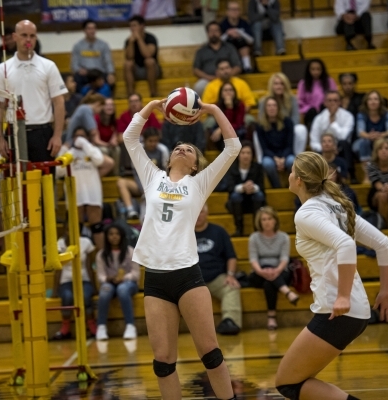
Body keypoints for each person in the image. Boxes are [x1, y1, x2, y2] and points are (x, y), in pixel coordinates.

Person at [123, 97, 240, 399]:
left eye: (189, 149)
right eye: (178, 146)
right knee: (163, 361)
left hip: (187, 274)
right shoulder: (152, 177)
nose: (181, 148)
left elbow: (233, 147)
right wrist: (150, 107)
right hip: (156, 278)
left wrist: (212, 110)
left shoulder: (199, 184)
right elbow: (130, 138)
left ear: (196, 164)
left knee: (210, 352)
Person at [275, 151, 388, 400]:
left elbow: (346, 245)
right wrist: (386, 291)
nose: (288, 175)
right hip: (353, 310)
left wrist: (342, 296)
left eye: (291, 171)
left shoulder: (307, 212)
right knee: (296, 381)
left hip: (339, 310)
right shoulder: (337, 205)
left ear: (298, 179)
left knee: (288, 383)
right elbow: (384, 244)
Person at [0, 20, 67, 161]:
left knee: (45, 180)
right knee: (16, 180)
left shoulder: (48, 66)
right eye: (24, 35)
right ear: (15, 37)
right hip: (14, 132)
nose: (28, 39)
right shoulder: (3, 69)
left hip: (43, 134)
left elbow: (59, 102)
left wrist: (57, 136)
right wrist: (0, 139)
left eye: (32, 35)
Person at [57, 127, 113, 249]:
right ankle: (74, 257)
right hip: (75, 192)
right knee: (75, 226)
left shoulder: (91, 151)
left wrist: (86, 144)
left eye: (83, 136)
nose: (79, 139)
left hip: (92, 192)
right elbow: (57, 171)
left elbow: (99, 161)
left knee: (97, 226)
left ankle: (101, 258)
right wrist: (64, 149)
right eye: (77, 136)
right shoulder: (69, 154)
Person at [194, 204, 242, 335]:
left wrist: (230, 275)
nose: (198, 215)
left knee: (231, 287)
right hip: (192, 280)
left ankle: (230, 321)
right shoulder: (183, 234)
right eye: (195, 211)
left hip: (216, 278)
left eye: (201, 212)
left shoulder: (219, 232)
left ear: (207, 213)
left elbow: (231, 257)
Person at [248, 206, 299, 330]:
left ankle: (271, 317)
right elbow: (253, 259)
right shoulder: (254, 238)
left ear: (275, 220)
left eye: (269, 218)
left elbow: (284, 259)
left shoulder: (284, 237)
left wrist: (276, 270)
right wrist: (261, 271)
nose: (266, 222)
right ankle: (287, 292)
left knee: (268, 284)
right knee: (266, 272)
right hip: (259, 273)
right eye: (263, 219)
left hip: (280, 271)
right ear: (259, 222)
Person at [95, 223, 140, 340]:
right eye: (111, 234)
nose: (114, 237)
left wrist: (124, 278)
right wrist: (107, 279)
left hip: (128, 284)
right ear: (106, 237)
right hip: (109, 283)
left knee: (122, 290)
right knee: (104, 291)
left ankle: (130, 325)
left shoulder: (130, 251)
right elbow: (100, 275)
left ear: (122, 236)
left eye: (117, 234)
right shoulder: (101, 254)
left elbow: (136, 273)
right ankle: (101, 326)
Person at [52, 231, 97, 340]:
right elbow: (58, 268)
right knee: (67, 297)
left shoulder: (86, 242)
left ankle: (92, 326)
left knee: (86, 297)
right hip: (66, 281)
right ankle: (65, 328)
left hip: (84, 279)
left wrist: (94, 286)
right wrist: (55, 290)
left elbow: (89, 265)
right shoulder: (60, 244)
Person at [116, 128, 168, 220]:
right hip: (142, 185)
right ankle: (131, 210)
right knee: (121, 182)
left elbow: (166, 171)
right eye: (150, 141)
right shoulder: (138, 151)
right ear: (144, 140)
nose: (153, 143)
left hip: (159, 185)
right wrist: (144, 188)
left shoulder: (163, 150)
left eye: (155, 141)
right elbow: (136, 173)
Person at [259, 73, 308, 156]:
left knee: (301, 129)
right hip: (270, 131)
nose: (279, 86)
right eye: (276, 84)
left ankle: (298, 157)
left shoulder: (292, 99)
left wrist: (285, 129)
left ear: (286, 85)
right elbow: (262, 119)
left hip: (287, 130)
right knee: (256, 133)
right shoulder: (263, 101)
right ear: (272, 85)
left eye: (282, 84)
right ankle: (261, 160)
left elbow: (296, 118)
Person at [226, 141, 266, 237]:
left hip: (253, 201)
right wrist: (243, 187)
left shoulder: (258, 167)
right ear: (239, 155)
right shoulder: (232, 168)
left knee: (259, 195)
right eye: (243, 153)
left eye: (248, 153)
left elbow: (262, 187)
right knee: (235, 196)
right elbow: (230, 188)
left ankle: (257, 228)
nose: (246, 156)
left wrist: (253, 187)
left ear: (252, 155)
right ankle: (239, 229)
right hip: (237, 203)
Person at [354, 90, 388, 183]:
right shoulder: (361, 114)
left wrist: (380, 135)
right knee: (363, 142)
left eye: (376, 99)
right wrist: (369, 136)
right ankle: (367, 175)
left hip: (382, 139)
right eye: (370, 99)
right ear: (366, 102)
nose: (373, 102)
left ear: (380, 102)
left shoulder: (386, 113)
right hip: (367, 140)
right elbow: (360, 132)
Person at [193, 21, 241, 96]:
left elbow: (238, 66)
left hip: (228, 78)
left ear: (220, 32)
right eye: (211, 31)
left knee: (239, 85)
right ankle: (202, 107)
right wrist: (209, 77)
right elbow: (196, 69)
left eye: (216, 30)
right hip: (208, 80)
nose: (213, 33)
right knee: (199, 87)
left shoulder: (230, 48)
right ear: (207, 33)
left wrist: (226, 75)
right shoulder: (201, 51)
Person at [255, 97, 294, 188]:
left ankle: (292, 185)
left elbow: (290, 144)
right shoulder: (260, 125)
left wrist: (283, 158)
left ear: (278, 108)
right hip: (270, 155)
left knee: (291, 161)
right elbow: (264, 148)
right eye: (269, 106)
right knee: (267, 164)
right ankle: (277, 186)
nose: (271, 108)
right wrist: (275, 159)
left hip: (286, 154)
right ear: (265, 109)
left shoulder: (287, 122)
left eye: (274, 105)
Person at [309, 91, 355, 164]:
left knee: (344, 144)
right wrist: (326, 148)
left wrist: (333, 122)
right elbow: (314, 142)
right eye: (329, 100)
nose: (332, 103)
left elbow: (343, 137)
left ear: (340, 102)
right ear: (325, 102)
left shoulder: (348, 116)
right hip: (323, 150)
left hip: (341, 150)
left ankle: (348, 173)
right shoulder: (318, 118)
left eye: (335, 100)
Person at [71, 19, 115, 93]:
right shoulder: (77, 46)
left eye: (94, 28)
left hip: (99, 73)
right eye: (89, 29)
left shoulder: (103, 45)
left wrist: (111, 73)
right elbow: (74, 64)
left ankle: (106, 101)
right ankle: (81, 101)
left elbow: (108, 61)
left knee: (110, 79)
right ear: (84, 30)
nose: (92, 31)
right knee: (77, 79)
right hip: (85, 74)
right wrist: (79, 70)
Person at [124, 15, 160, 98]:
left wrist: (139, 39)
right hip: (137, 70)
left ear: (142, 26)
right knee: (128, 64)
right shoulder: (129, 40)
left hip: (153, 70)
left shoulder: (150, 38)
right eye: (130, 26)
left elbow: (148, 54)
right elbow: (129, 57)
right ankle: (130, 94)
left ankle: (153, 93)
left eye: (134, 25)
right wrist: (131, 43)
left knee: (149, 61)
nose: (132, 28)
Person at [298, 59, 337, 130]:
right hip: (310, 112)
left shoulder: (329, 81)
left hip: (326, 109)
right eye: (313, 69)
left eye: (318, 69)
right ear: (308, 70)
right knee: (312, 112)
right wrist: (309, 108)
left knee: (324, 108)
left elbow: (335, 96)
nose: (316, 72)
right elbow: (301, 101)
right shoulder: (303, 83)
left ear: (322, 70)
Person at [220, 1, 255, 73]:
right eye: (232, 9)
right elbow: (218, 41)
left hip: (241, 46)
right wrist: (227, 34)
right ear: (227, 12)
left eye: (237, 9)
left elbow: (251, 40)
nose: (235, 12)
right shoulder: (223, 24)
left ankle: (247, 67)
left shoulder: (244, 23)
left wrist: (240, 33)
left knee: (241, 41)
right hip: (227, 47)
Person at [210, 82, 247, 149]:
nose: (228, 92)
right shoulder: (217, 106)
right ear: (221, 93)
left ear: (234, 92)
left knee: (232, 136)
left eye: (230, 90)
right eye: (225, 90)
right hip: (222, 134)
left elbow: (238, 124)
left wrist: (229, 108)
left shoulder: (240, 105)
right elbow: (219, 122)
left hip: (236, 131)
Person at [95, 97, 120, 175]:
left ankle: (115, 174)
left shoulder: (115, 121)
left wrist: (114, 141)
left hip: (108, 145)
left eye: (111, 105)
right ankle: (105, 172)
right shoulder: (96, 119)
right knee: (104, 150)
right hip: (97, 145)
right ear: (102, 107)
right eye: (107, 105)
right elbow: (96, 140)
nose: (110, 107)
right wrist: (108, 145)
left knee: (117, 149)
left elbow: (115, 136)